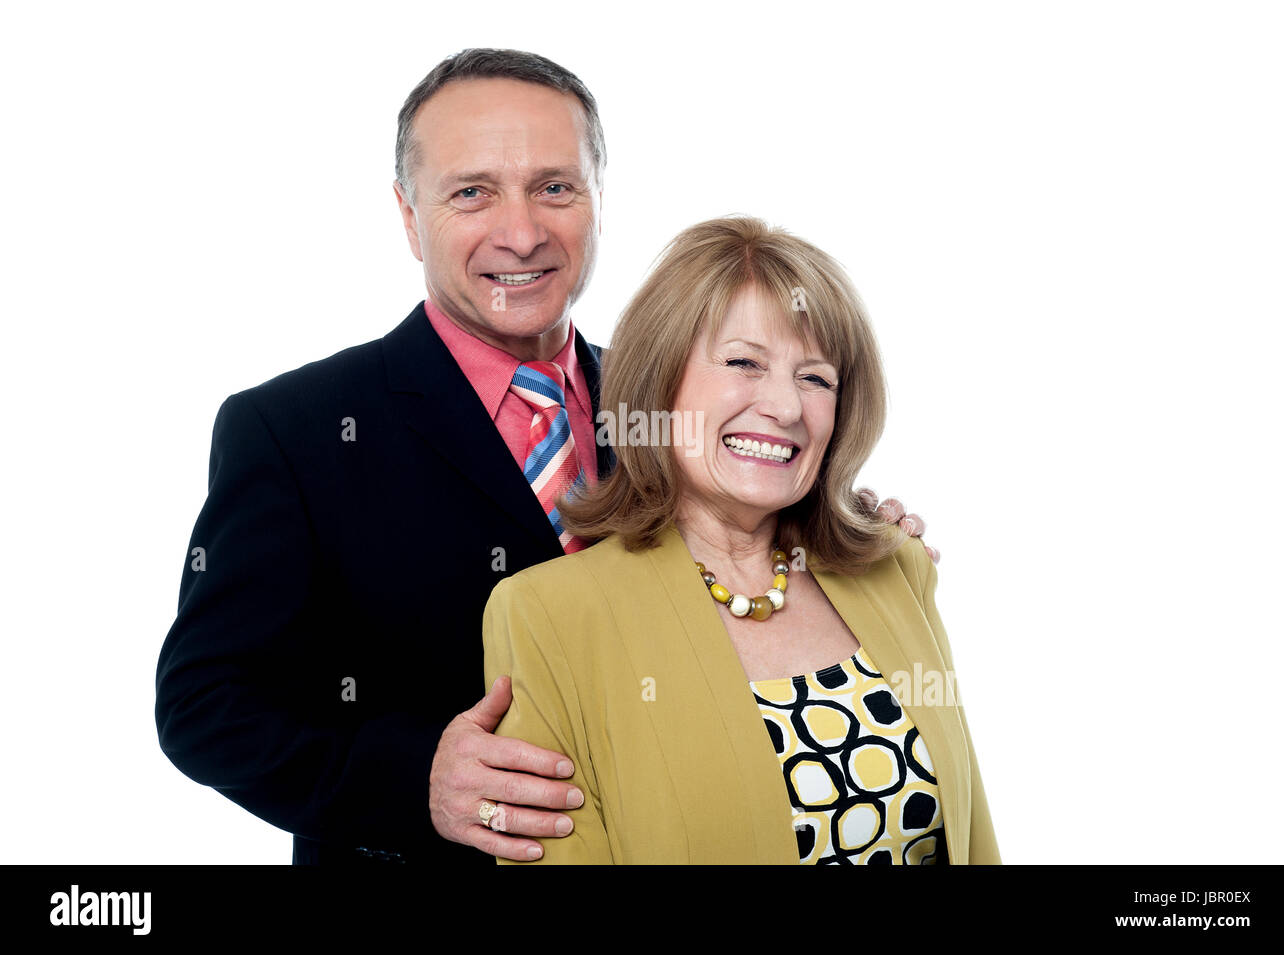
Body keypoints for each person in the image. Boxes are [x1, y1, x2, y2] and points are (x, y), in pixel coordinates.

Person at [154, 49, 934, 865]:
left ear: (599, 201)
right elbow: (204, 705)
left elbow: (753, 554)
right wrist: (416, 776)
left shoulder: (674, 404)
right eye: (472, 192)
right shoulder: (296, 430)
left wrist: (851, 535)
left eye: (554, 188)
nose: (521, 232)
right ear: (409, 214)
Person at [482, 215, 999, 864]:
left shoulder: (897, 568)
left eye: (816, 377)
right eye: (744, 362)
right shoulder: (547, 614)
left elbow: (972, 836)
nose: (784, 406)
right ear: (660, 379)